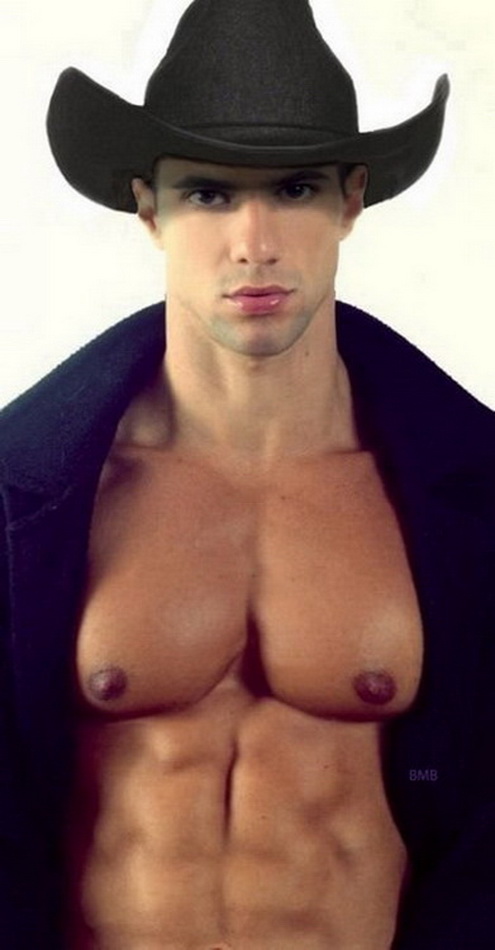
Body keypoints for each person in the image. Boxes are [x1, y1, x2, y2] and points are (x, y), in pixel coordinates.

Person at [0, 0, 494, 947]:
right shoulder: (38, 494)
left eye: (295, 190)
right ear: (149, 208)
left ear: (351, 199)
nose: (254, 242)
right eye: (209, 194)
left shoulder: (465, 492)